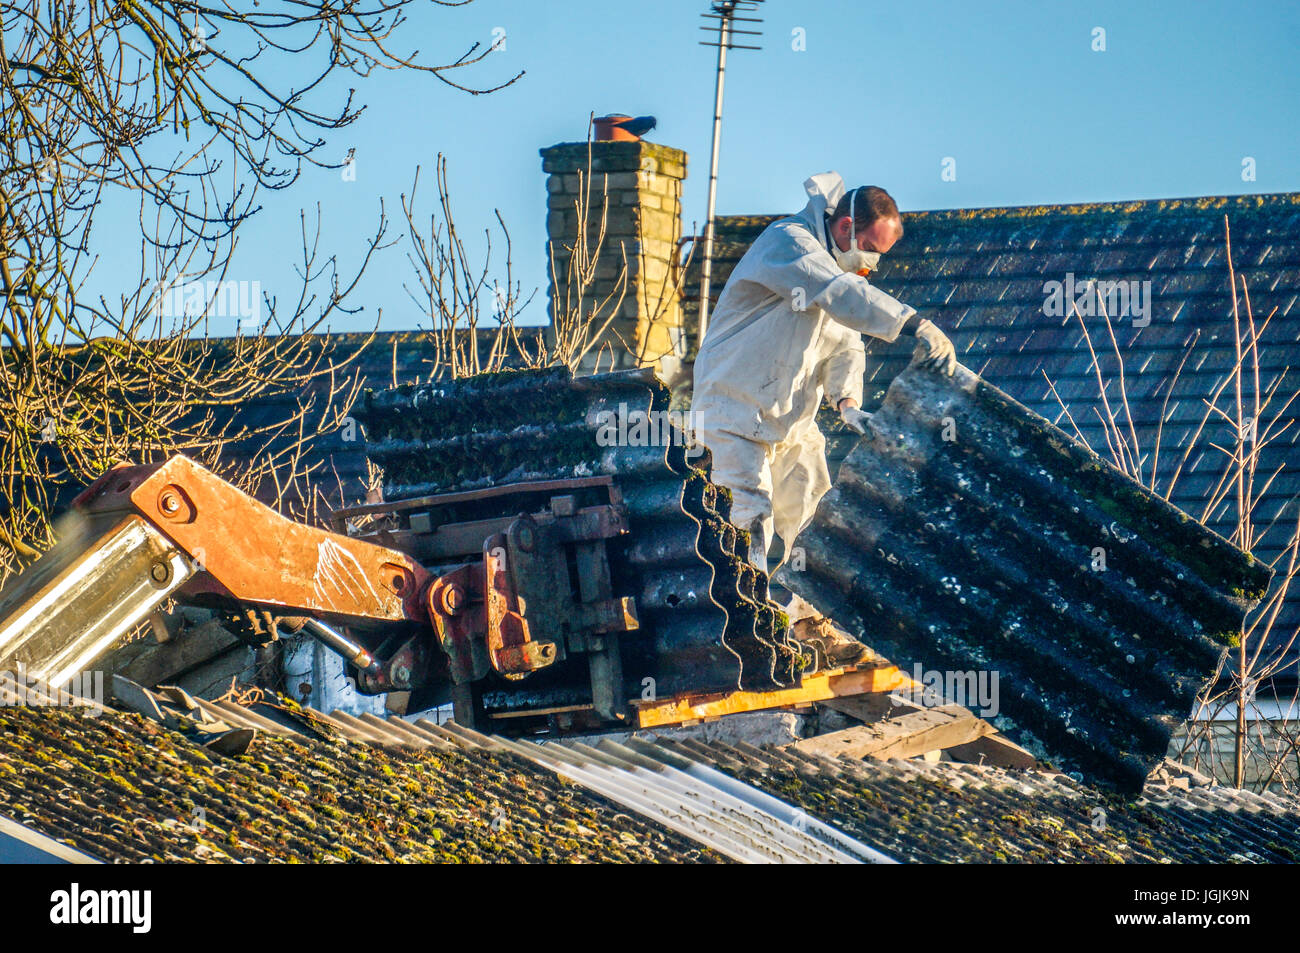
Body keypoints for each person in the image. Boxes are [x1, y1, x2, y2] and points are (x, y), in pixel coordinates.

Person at [693, 172, 957, 577]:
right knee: (749, 520)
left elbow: (845, 345)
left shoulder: (837, 273)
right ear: (847, 226)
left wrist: (848, 404)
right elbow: (837, 293)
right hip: (733, 416)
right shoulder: (790, 243)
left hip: (791, 425)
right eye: (869, 248)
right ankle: (752, 624)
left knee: (815, 523)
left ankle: (810, 625)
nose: (871, 262)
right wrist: (914, 324)